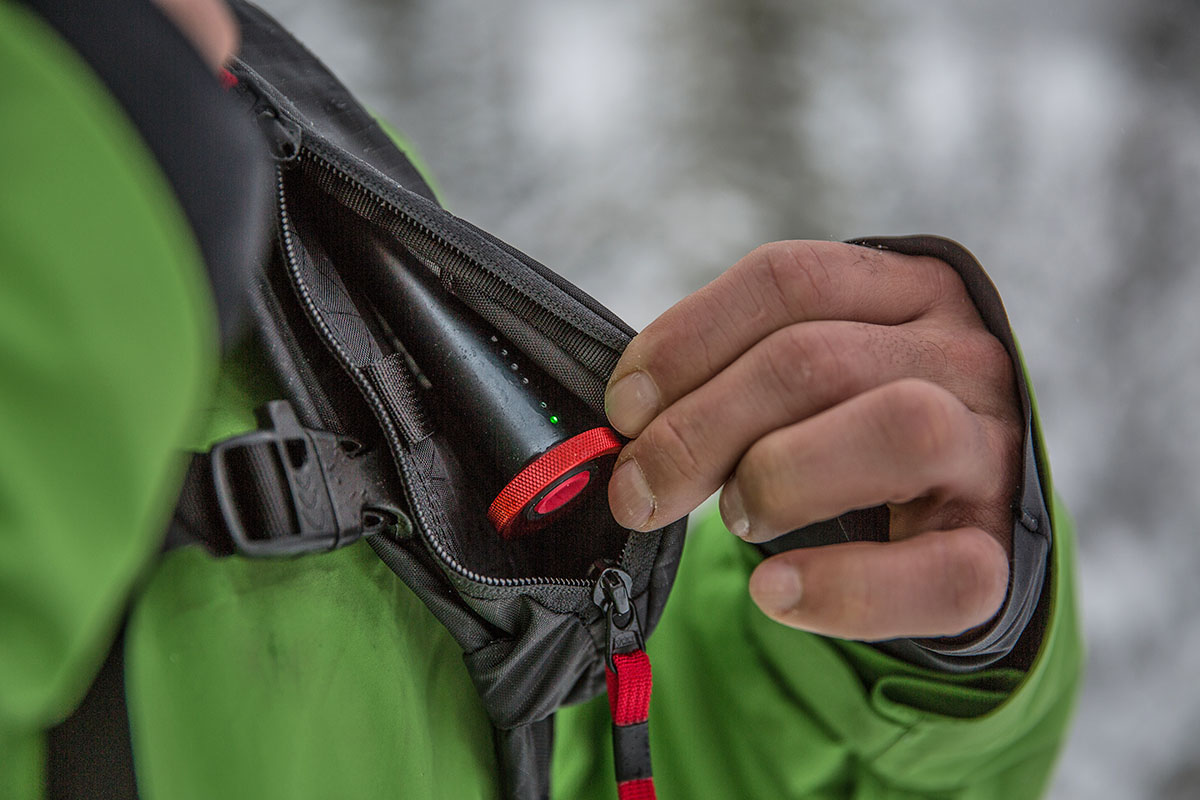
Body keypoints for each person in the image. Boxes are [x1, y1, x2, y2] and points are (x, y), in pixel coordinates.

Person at [0, 0, 1082, 797]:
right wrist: (85, 170)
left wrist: (903, 626)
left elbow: (588, 734)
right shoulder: (118, 153)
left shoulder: (264, 153)